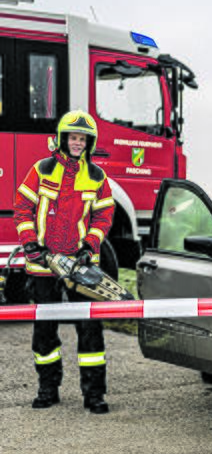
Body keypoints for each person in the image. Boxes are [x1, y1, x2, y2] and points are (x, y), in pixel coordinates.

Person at [14, 110, 115, 414]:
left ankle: (94, 395)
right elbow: (22, 209)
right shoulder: (41, 170)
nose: (77, 143)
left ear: (89, 142)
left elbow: (103, 216)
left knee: (90, 329)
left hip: (80, 268)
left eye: (82, 139)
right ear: (62, 139)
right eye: (73, 137)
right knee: (44, 331)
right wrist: (31, 243)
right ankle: (47, 390)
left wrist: (90, 246)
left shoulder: (97, 177)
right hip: (43, 266)